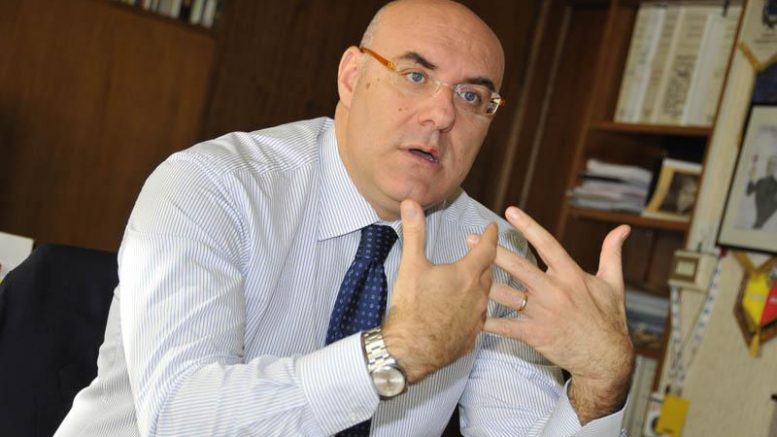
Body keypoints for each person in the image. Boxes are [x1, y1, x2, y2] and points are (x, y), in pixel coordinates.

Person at [56, 1, 633, 435]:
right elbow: (179, 418)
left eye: (472, 97)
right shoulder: (213, 184)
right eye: (415, 76)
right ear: (353, 77)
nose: (442, 114)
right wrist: (393, 353)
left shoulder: (487, 248)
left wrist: (599, 386)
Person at [746, 153, 777, 229]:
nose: (770, 166)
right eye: (769, 163)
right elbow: (748, 192)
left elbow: (771, 207)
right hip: (754, 222)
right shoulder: (760, 181)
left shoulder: (775, 185)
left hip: (761, 224)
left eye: (774, 164)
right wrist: (751, 178)